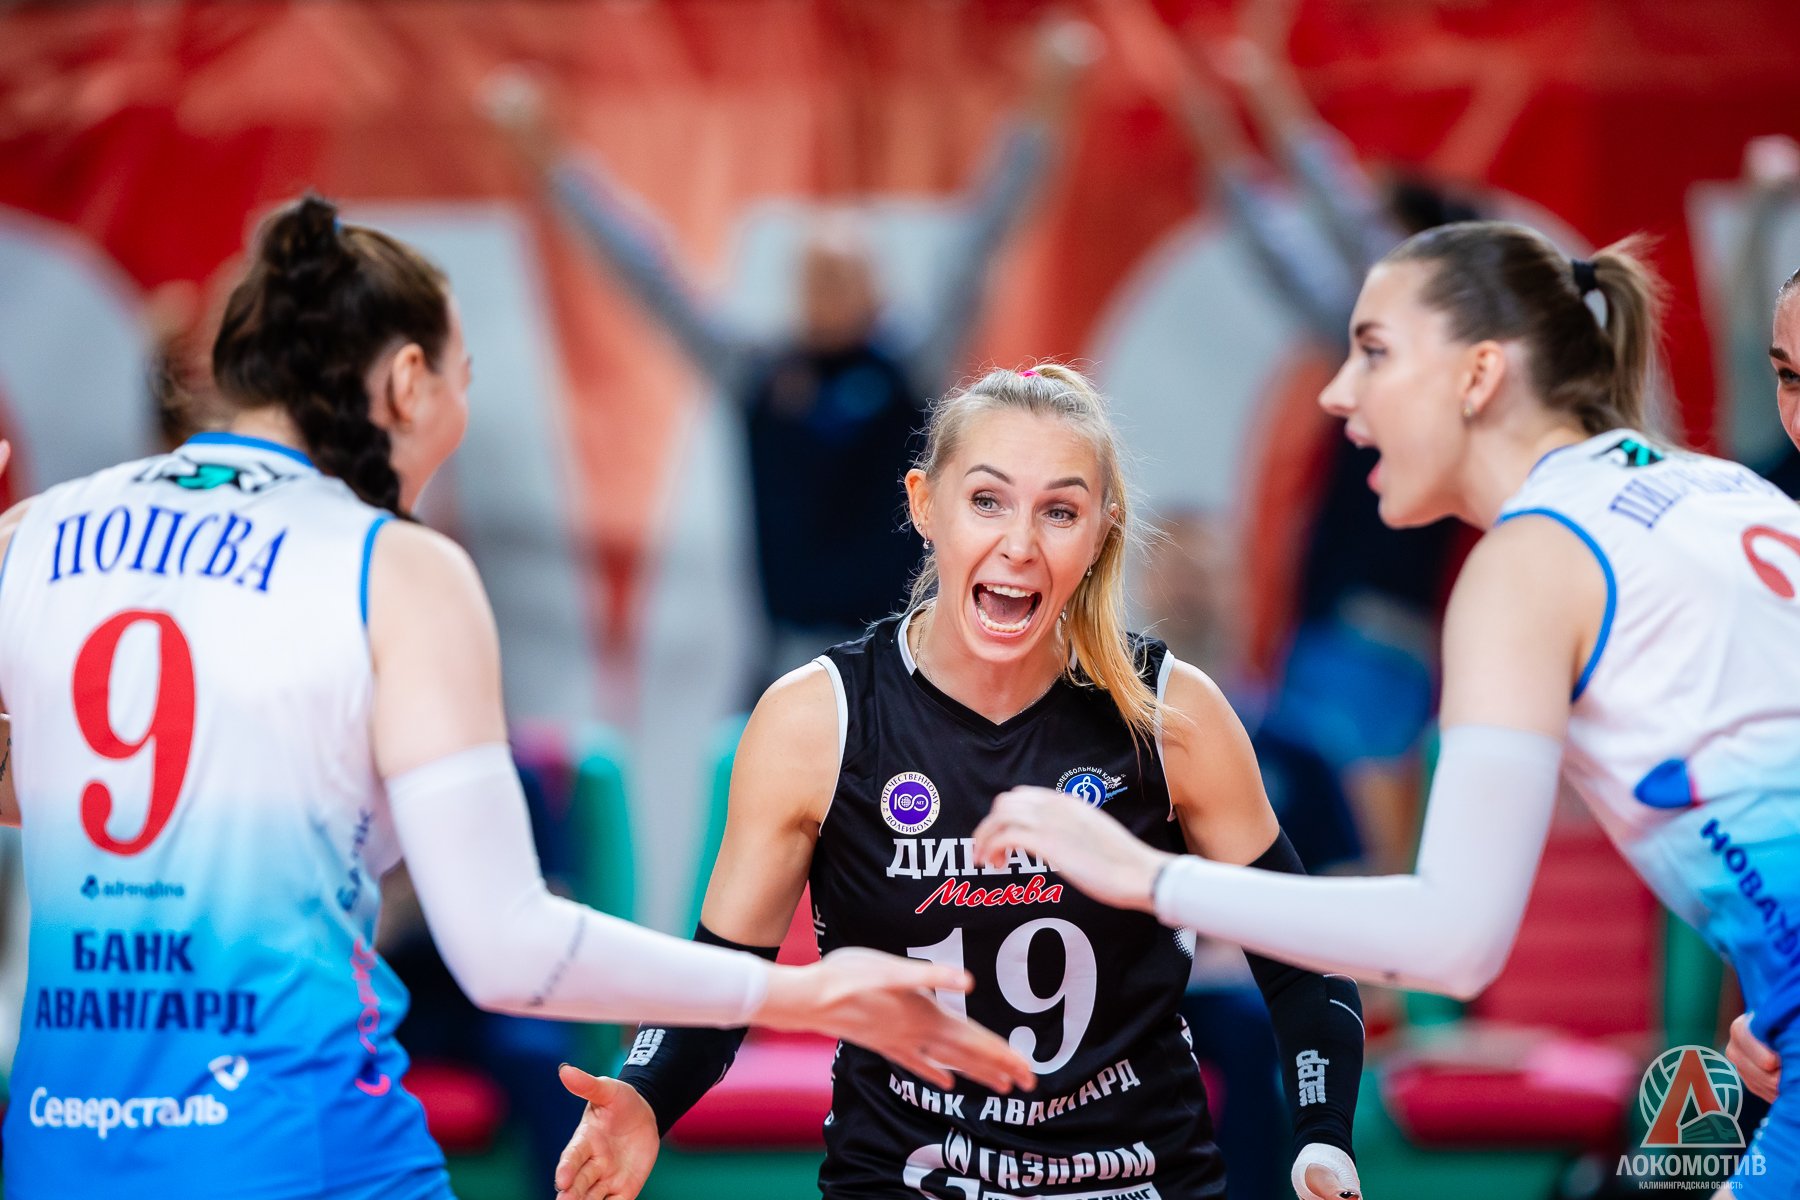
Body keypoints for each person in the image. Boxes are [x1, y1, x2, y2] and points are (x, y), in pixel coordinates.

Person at [0, 195, 1035, 1200]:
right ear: (408, 383)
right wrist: (800, 992)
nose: (457, 414)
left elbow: (49, 793)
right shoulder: (391, 566)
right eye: (463, 379)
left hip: (55, 1153)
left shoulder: (32, 535)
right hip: (297, 1148)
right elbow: (505, 946)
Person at [972, 222, 1800, 1197]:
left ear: (1478, 374)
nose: (1337, 393)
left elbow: (1452, 939)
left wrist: (1147, 878)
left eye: (1373, 352)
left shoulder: (1534, 560)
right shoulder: (1720, 490)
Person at [551, 365, 1366, 1200]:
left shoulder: (1171, 712)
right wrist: (644, 1094)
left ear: (1101, 532)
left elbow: (1303, 966)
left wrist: (1324, 1140)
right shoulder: (816, 718)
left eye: (1059, 511)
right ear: (923, 505)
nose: (1020, 544)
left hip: (1139, 1182)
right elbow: (724, 978)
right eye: (987, 501)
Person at [487, 19, 1091, 677]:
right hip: (787, 657)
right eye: (816, 276)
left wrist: (1045, 112)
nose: (828, 289)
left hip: (903, 653)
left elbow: (980, 244)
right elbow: (650, 281)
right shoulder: (760, 377)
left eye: (843, 274)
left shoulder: (908, 369)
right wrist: (552, 164)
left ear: (876, 287)